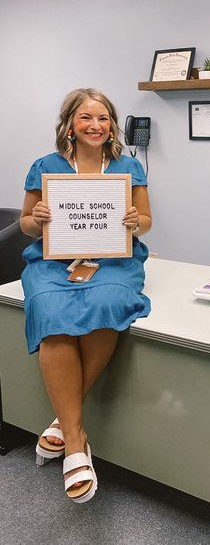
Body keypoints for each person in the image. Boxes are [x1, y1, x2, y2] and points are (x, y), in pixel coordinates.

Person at [20, 88, 152, 503]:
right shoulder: (46, 166)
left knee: (109, 302)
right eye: (86, 118)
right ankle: (76, 441)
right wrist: (36, 218)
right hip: (53, 261)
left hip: (112, 261)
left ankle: (63, 422)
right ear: (70, 125)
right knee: (49, 307)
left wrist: (135, 220)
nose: (96, 126)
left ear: (112, 124)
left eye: (104, 118)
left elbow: (146, 221)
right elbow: (25, 223)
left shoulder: (129, 167)